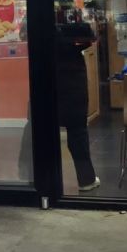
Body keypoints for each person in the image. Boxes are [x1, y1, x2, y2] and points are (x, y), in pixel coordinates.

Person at [55, 22, 100, 191]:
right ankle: (86, 179)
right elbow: (89, 37)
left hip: (45, 83)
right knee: (78, 133)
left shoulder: (43, 29)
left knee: (39, 132)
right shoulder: (73, 38)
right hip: (72, 87)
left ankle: (35, 177)